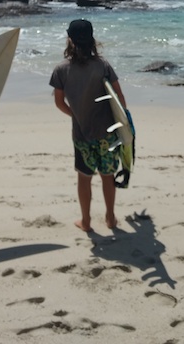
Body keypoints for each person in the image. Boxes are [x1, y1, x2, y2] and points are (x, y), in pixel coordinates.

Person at [49, 19, 127, 232]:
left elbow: (59, 103)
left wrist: (75, 115)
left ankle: (86, 221)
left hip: (81, 134)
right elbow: (119, 97)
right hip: (108, 133)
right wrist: (124, 122)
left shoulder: (61, 70)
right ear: (92, 39)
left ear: (70, 40)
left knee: (84, 178)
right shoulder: (103, 66)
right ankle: (110, 217)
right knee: (107, 176)